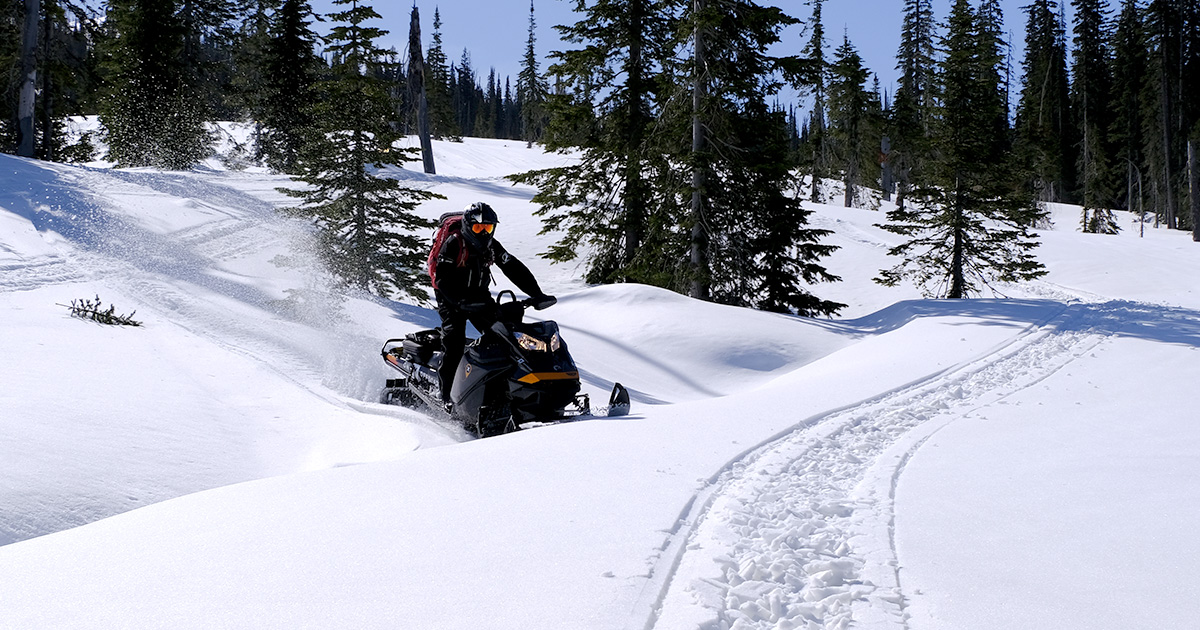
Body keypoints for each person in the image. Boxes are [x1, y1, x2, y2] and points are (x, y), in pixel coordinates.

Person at [432, 202, 555, 405]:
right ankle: (446, 398)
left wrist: (537, 293)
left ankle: (510, 389)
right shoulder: (454, 242)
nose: (483, 233)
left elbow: (512, 267)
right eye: (478, 227)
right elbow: (442, 280)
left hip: (479, 297)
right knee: (454, 342)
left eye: (487, 228)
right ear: (467, 226)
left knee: (505, 335)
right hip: (450, 298)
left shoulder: (491, 245)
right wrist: (459, 303)